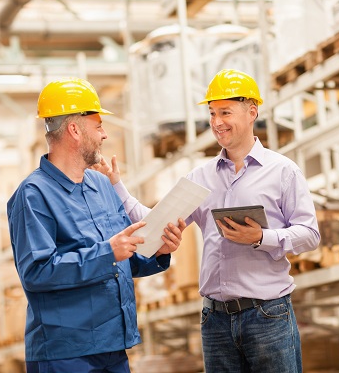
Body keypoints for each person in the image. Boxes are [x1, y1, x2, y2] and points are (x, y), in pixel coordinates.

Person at [96, 69, 320, 372]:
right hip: (214, 320)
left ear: (252, 111)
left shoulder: (283, 172)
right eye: (212, 113)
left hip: (267, 315)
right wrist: (116, 186)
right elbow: (154, 224)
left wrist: (260, 237)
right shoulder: (200, 178)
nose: (216, 122)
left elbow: (309, 235)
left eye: (225, 112)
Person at [6, 77, 186, 373]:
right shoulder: (33, 195)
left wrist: (157, 250)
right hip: (65, 353)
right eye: (98, 125)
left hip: (112, 346)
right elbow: (37, 272)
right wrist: (107, 253)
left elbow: (121, 257)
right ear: (75, 130)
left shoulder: (102, 186)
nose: (104, 135)